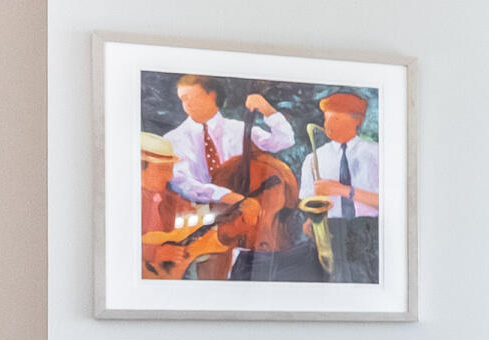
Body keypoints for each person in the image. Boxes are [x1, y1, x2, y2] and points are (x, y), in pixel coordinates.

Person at [161, 75, 294, 279]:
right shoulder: (173, 140)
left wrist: (267, 109)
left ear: (211, 95)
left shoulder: (239, 129)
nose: (185, 104)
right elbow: (183, 183)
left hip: (248, 219)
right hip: (208, 222)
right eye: (182, 99)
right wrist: (228, 196)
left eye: (190, 97)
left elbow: (284, 140)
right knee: (214, 283)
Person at [300, 90, 380, 284]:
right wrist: (312, 220)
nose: (327, 125)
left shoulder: (376, 154)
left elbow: (392, 202)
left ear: (356, 121)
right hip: (331, 230)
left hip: (368, 230)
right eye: (326, 119)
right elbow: (307, 200)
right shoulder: (313, 158)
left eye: (334, 119)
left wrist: (342, 190)